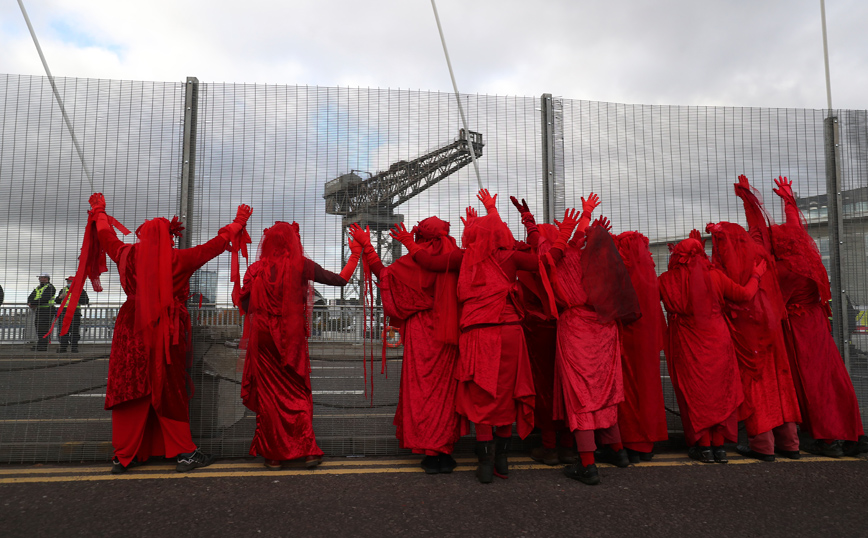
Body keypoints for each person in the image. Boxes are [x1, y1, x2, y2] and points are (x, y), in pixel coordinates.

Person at [393, 189, 579, 484]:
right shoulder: (512, 258)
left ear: (473, 235)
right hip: (511, 333)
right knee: (506, 396)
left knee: (481, 397)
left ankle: (484, 463)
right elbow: (548, 260)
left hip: (478, 335)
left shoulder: (462, 258)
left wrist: (406, 241)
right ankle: (502, 461)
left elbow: (428, 262)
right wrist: (565, 232)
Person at [87, 192, 252, 474]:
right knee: (169, 386)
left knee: (131, 385)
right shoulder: (180, 260)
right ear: (167, 238)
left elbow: (105, 236)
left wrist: (99, 211)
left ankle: (126, 454)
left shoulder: (124, 254)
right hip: (166, 329)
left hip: (132, 325)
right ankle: (184, 452)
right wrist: (237, 222)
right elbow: (215, 246)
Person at [239, 221, 361, 470]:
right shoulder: (301, 265)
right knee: (297, 392)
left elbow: (244, 302)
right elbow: (339, 280)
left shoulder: (255, 269)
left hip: (263, 338)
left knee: (270, 396)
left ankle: (273, 455)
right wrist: (357, 252)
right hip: (290, 337)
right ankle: (307, 451)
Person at [763, 176, 867, 457]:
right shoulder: (810, 260)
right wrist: (788, 201)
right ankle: (851, 433)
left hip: (799, 329)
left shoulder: (784, 270)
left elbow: (773, 304)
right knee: (833, 377)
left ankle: (828, 437)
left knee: (812, 381)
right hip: (818, 323)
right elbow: (796, 229)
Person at [349, 217, 462, 474]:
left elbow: (385, 275)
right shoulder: (455, 257)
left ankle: (428, 453)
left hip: (420, 331)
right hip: (449, 330)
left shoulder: (413, 261)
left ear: (420, 236)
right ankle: (444, 450)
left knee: (421, 391)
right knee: (445, 393)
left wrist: (367, 246)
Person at [547, 202, 643, 486]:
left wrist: (569, 227)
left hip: (576, 329)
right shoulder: (596, 261)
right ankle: (618, 451)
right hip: (604, 327)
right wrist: (586, 217)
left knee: (581, 398)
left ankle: (588, 465)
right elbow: (579, 243)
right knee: (605, 391)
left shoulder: (559, 260)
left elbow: (557, 251)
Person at [660, 237, 766, 466]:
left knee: (697, 394)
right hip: (719, 341)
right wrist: (756, 274)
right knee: (720, 393)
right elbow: (745, 295)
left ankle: (705, 449)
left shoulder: (667, 281)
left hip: (688, 343)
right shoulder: (715, 276)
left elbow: (645, 301)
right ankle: (720, 449)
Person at [510, 198, 576, 467]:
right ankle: (570, 445)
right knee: (568, 386)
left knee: (544, 388)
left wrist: (528, 221)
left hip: (537, 332)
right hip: (568, 328)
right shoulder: (568, 263)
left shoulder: (530, 263)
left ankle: (548, 445)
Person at [612, 227, 669, 464]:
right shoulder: (650, 276)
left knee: (627, 390)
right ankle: (646, 444)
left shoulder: (620, 275)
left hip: (626, 339)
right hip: (648, 341)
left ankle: (629, 442)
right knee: (648, 389)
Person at [54, 276, 90, 353]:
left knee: (74, 331)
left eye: (70, 281)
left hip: (75, 312)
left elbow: (85, 301)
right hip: (64, 312)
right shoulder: (63, 290)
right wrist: (60, 297)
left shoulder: (80, 290)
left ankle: (74, 347)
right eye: (68, 281)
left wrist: (76, 297)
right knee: (63, 330)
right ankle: (63, 347)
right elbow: (56, 301)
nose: (68, 283)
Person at [27, 273, 56, 351]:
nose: (40, 279)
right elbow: (30, 297)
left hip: (48, 310)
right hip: (40, 310)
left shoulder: (50, 287)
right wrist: (30, 302)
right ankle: (40, 344)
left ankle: (43, 346)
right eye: (40, 277)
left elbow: (45, 299)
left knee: (44, 328)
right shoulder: (38, 288)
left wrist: (33, 303)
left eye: (42, 277)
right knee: (39, 328)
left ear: (46, 278)